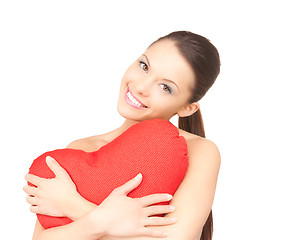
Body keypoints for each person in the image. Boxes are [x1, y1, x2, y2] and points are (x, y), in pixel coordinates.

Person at [24, 31, 221, 240]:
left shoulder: (200, 152)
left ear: (187, 108)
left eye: (165, 87)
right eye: (144, 66)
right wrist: (107, 222)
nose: (141, 87)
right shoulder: (80, 149)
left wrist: (72, 204)